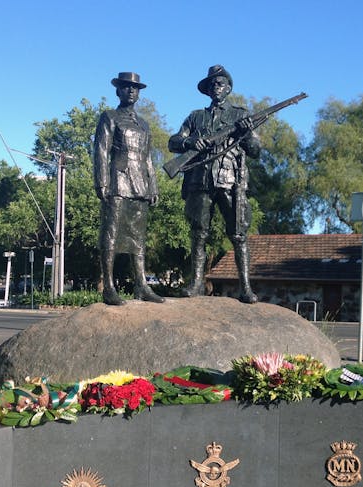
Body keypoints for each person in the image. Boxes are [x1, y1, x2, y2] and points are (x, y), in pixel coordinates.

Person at [168, 64, 261, 303]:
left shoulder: (240, 115)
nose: (215, 87)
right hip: (200, 180)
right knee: (198, 234)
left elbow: (255, 151)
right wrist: (190, 143)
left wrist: (248, 133)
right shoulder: (195, 117)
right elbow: (174, 141)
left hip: (231, 181)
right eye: (211, 85)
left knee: (238, 234)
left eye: (219, 84)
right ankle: (196, 283)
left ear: (228, 88)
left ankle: (246, 287)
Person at [93, 71, 164, 306]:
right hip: (117, 180)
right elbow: (101, 151)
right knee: (111, 233)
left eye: (135, 88)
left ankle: (141, 285)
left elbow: (148, 158)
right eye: (126, 87)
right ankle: (109, 287)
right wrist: (101, 182)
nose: (131, 91)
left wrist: (152, 185)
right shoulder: (110, 117)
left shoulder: (143, 124)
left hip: (139, 184)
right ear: (118, 90)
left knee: (138, 237)